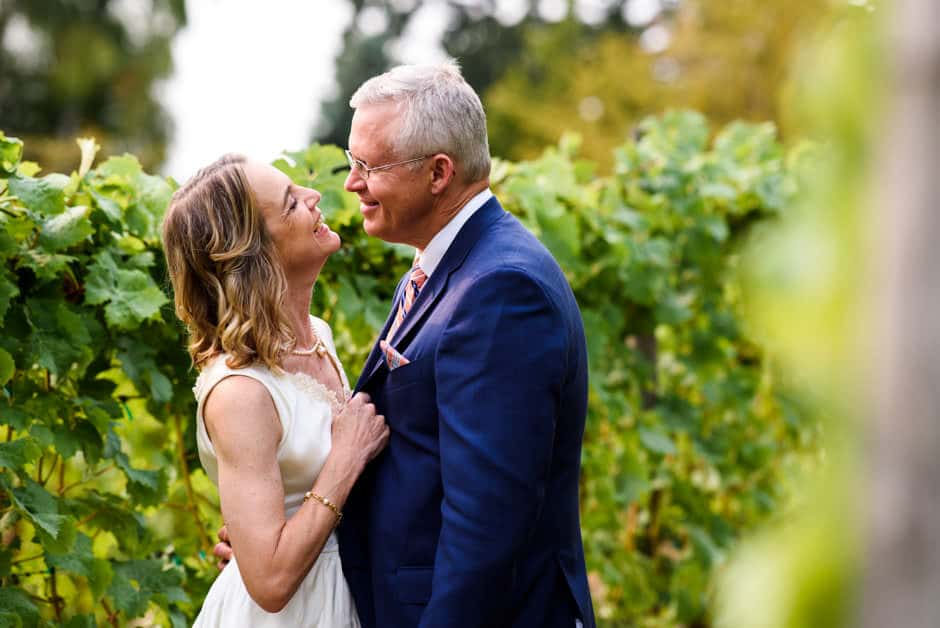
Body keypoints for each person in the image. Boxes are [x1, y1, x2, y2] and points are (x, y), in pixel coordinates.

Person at [337, 62, 597, 628]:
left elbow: (486, 526)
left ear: (438, 173)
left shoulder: (502, 289)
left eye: (368, 166)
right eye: (351, 161)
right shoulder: (446, 263)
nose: (352, 183)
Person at [162, 154, 388, 626]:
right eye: (291, 204)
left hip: (349, 590)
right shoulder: (240, 391)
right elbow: (268, 582)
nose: (315, 197)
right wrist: (346, 459)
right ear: (255, 256)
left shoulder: (317, 337)